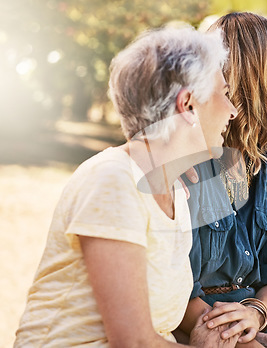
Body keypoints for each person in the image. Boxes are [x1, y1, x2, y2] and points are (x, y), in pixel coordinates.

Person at [14, 25, 240, 347]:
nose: (233, 110)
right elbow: (133, 342)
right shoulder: (113, 180)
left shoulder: (174, 190)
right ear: (188, 104)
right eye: (226, 93)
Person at [177, 12, 267, 348]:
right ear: (256, 69)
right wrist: (246, 338)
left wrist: (255, 317)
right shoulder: (189, 165)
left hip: (254, 326)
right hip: (194, 329)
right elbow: (177, 290)